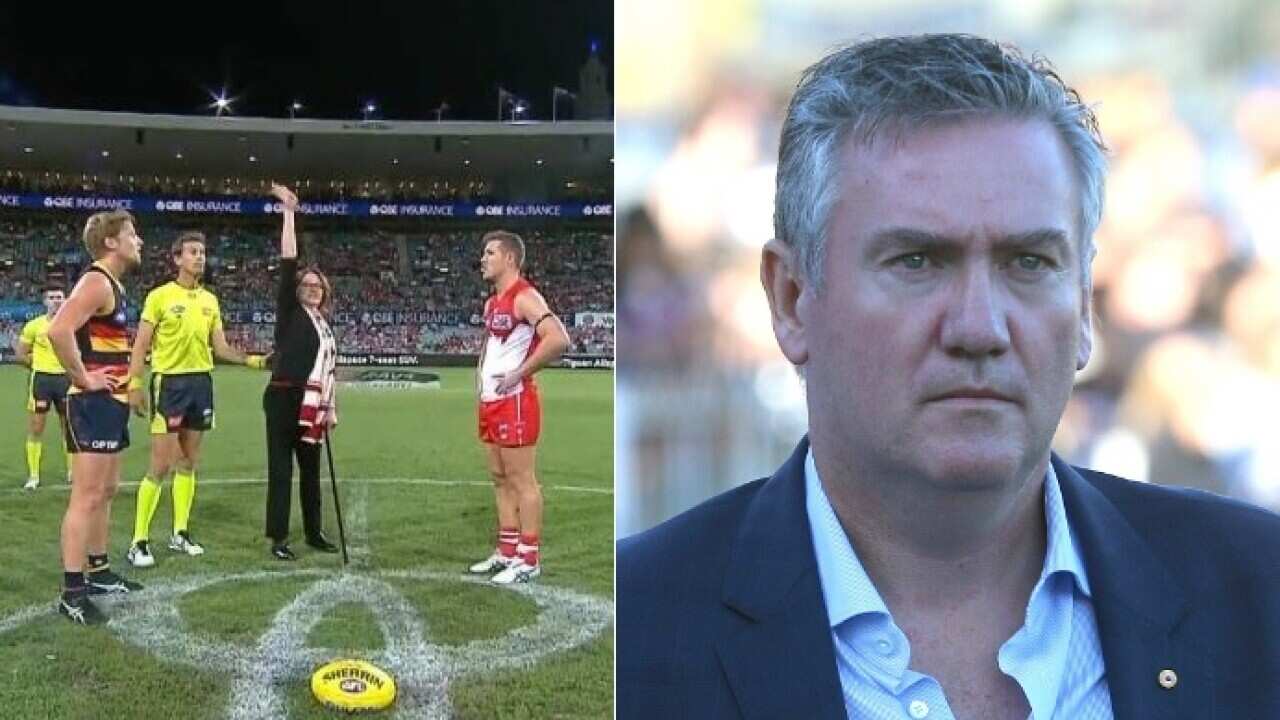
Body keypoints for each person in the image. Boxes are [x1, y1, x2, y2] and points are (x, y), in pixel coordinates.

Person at [617, 34, 1280, 719]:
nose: (979, 328)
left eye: (1028, 262)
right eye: (916, 262)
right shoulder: (632, 633)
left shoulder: (1258, 594)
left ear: (1083, 306)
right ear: (791, 299)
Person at [124, 231, 269, 568]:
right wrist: (133, 383)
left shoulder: (210, 301)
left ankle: (180, 533)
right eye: (192, 252)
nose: (200, 257)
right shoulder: (159, 297)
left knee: (188, 462)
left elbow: (220, 348)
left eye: (203, 252)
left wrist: (252, 360)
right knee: (160, 465)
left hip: (200, 383)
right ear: (177, 259)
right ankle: (139, 541)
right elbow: (141, 345)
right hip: (169, 384)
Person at [47, 209, 146, 625]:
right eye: (132, 234)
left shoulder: (114, 285)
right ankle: (72, 592)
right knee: (86, 497)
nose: (138, 241)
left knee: (106, 491)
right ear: (111, 243)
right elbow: (58, 330)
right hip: (91, 404)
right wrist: (84, 378)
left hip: (113, 402)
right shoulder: (96, 280)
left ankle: (100, 571)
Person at [468, 230, 569, 584]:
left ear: (510, 258)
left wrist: (519, 374)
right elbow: (490, 347)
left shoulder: (525, 297)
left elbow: (559, 339)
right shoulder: (491, 303)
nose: (483, 259)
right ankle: (507, 550)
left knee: (522, 479)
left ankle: (529, 556)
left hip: (515, 402)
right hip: (491, 401)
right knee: (499, 477)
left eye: (490, 253)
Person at [262, 183, 339, 560]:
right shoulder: (289, 312)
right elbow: (289, 260)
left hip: (312, 405)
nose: (311, 289)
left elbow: (330, 373)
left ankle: (313, 532)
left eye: (317, 286)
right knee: (281, 470)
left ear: (324, 293)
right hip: (283, 397)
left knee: (311, 471)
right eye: (306, 285)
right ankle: (278, 538)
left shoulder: (324, 327)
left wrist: (331, 408)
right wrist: (289, 213)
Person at [15, 285, 71, 490]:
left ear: (65, 300)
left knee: (69, 428)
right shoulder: (34, 326)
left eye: (60, 297)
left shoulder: (73, 325)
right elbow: (21, 354)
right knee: (36, 428)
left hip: (65, 380)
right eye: (52, 297)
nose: (56, 300)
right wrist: (38, 366)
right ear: (45, 301)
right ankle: (34, 476)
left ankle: (72, 473)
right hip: (42, 381)